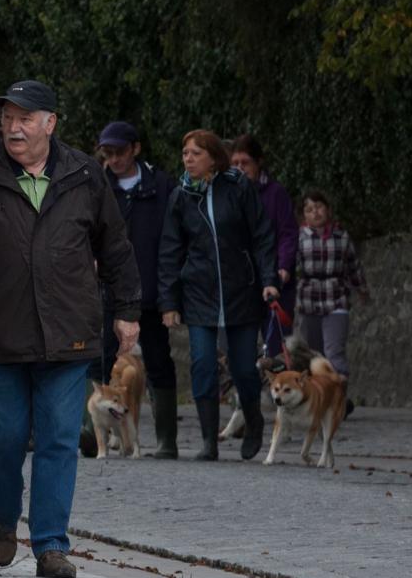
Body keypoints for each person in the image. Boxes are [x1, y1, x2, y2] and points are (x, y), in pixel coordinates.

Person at [0, 80, 142, 578]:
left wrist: (127, 308)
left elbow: (115, 246)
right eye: (6, 119)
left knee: (61, 437)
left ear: (50, 123)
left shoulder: (85, 173)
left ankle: (49, 544)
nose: (13, 128)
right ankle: (2, 520)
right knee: (6, 438)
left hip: (70, 333)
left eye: (24, 118)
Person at [158, 129, 279, 462]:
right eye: (185, 153)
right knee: (202, 364)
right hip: (199, 292)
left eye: (195, 153)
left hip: (240, 289)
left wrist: (268, 278)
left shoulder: (238, 187)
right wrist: (168, 302)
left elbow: (262, 236)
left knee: (243, 368)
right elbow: (170, 250)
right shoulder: (181, 196)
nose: (188, 159)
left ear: (213, 156)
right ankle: (209, 439)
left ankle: (253, 422)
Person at [90, 120, 178, 459]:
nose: (113, 159)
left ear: (135, 149)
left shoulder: (160, 185)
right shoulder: (96, 184)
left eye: (120, 152)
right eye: (107, 153)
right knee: (100, 358)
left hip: (151, 286)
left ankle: (166, 439)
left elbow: (171, 241)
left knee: (158, 360)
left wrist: (169, 294)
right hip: (109, 287)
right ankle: (92, 432)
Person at [230, 134, 298, 354]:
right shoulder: (227, 196)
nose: (240, 168)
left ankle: (280, 385)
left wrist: (284, 268)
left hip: (275, 280)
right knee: (242, 348)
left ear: (259, 162)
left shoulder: (275, 193)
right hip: (242, 284)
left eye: (245, 163)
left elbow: (288, 233)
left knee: (277, 347)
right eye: (235, 163)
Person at [296, 189, 369, 382]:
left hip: (336, 298)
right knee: (313, 354)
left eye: (319, 207)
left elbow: (353, 266)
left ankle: (339, 395)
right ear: (304, 215)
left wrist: (361, 289)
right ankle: (318, 398)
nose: (315, 212)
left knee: (334, 351)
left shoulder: (341, 237)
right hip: (308, 301)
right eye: (309, 209)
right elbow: (290, 266)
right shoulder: (299, 238)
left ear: (327, 210)